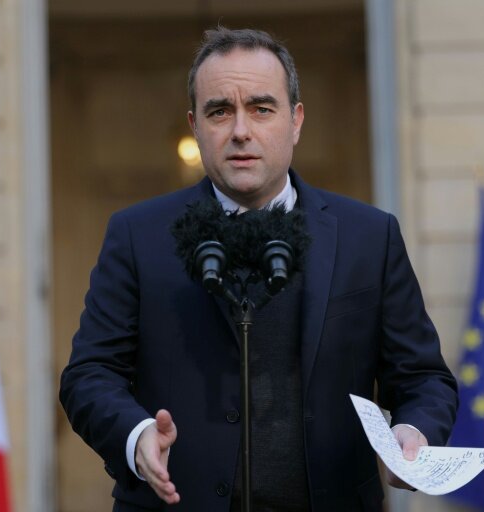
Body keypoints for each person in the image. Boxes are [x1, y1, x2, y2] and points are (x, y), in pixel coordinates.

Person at [60, 27, 458, 512]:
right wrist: (137, 434)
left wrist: (412, 435)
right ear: (195, 125)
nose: (241, 130)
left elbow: (422, 378)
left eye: (261, 108)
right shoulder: (136, 234)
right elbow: (89, 374)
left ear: (295, 121)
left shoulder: (369, 237)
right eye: (220, 111)